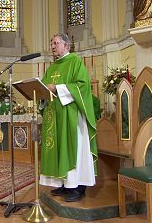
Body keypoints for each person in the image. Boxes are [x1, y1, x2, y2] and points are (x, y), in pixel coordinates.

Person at [39, 33, 98, 202]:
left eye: (56, 43)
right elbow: (44, 87)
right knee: (59, 149)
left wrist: (57, 88)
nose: (52, 46)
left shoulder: (75, 62)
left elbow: (82, 86)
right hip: (55, 116)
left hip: (71, 115)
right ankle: (64, 184)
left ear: (66, 45)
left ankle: (78, 188)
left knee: (74, 149)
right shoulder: (51, 68)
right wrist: (41, 93)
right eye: (51, 43)